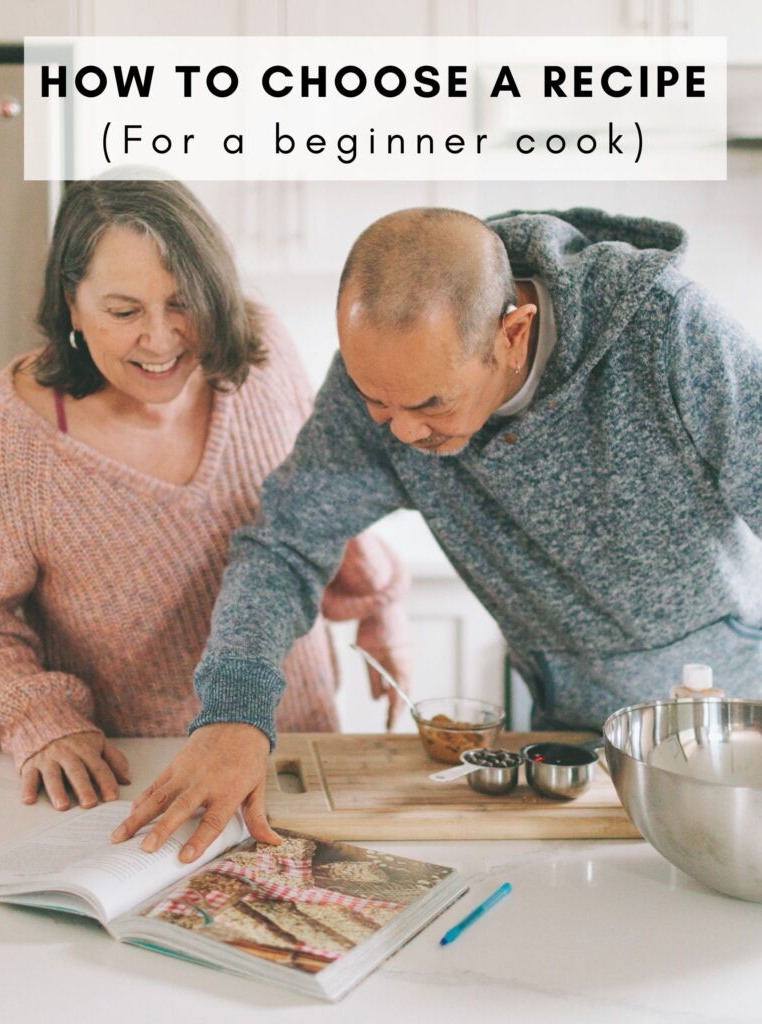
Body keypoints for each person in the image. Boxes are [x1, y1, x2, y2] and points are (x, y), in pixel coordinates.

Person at [114, 203, 762, 860]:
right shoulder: (386, 382)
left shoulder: (668, 331)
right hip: (576, 737)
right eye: (377, 403)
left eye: (430, 404)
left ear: (513, 334)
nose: (400, 432)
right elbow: (284, 543)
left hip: (734, 720)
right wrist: (234, 707)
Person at [0, 179, 412, 824]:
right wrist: (41, 718)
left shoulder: (265, 354)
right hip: (134, 779)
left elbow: (312, 504)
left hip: (289, 745)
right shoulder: (14, 435)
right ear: (71, 305)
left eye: (184, 303)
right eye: (124, 311)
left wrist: (377, 603)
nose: (161, 340)